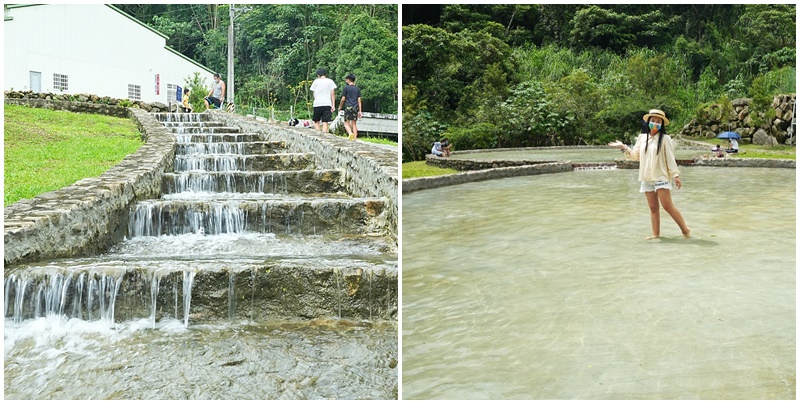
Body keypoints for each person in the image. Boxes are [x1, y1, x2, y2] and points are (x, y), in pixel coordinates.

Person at [609, 109, 691, 239]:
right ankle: (655, 235)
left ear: (662, 124)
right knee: (653, 208)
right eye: (653, 121)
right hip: (646, 177)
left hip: (661, 176)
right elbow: (636, 156)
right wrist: (623, 147)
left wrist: (675, 175)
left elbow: (670, 158)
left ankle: (685, 230)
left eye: (658, 122)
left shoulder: (665, 139)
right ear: (648, 122)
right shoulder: (642, 138)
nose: (655, 123)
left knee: (667, 206)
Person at [309, 68, 337, 132]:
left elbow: (314, 93)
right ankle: (324, 135)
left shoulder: (316, 81)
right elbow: (332, 93)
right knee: (325, 122)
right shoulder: (330, 81)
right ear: (325, 74)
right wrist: (333, 105)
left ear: (318, 75)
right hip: (327, 103)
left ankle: (318, 134)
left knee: (316, 121)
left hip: (317, 104)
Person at [338, 73, 362, 140]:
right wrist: (360, 111)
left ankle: (350, 133)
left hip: (348, 107)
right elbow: (359, 100)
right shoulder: (357, 89)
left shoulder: (346, 88)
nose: (346, 81)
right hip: (355, 107)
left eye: (346, 80)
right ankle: (355, 138)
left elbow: (343, 99)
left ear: (348, 80)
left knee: (346, 122)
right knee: (354, 123)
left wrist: (340, 107)